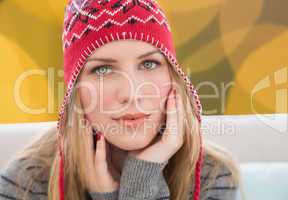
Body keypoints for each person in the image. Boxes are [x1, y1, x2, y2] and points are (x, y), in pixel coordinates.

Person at [0, 0, 240, 199]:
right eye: (103, 70)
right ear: (75, 90)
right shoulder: (26, 182)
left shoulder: (210, 175)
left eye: (149, 63)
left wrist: (141, 178)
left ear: (173, 78)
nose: (131, 93)